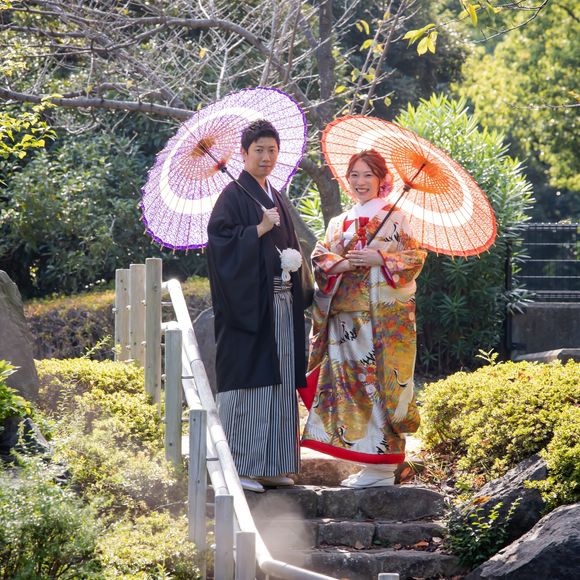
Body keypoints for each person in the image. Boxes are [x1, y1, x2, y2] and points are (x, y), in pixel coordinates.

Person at [301, 149, 427, 488]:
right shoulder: (338, 221)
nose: (360, 182)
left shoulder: (396, 218)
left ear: (382, 180)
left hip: (378, 321)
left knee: (377, 384)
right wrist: (343, 264)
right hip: (342, 319)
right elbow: (320, 258)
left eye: (368, 175)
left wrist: (380, 258)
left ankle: (383, 465)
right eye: (354, 175)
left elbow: (415, 258)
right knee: (349, 387)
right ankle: (367, 462)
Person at [206, 119, 308, 493]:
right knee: (251, 383)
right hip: (248, 310)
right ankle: (239, 465)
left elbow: (290, 246)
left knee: (280, 379)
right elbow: (220, 246)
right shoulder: (232, 197)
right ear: (244, 153)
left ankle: (273, 464)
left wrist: (293, 264)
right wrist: (258, 230)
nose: (266, 157)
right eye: (259, 150)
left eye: (272, 150)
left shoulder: (274, 195)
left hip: (280, 303)